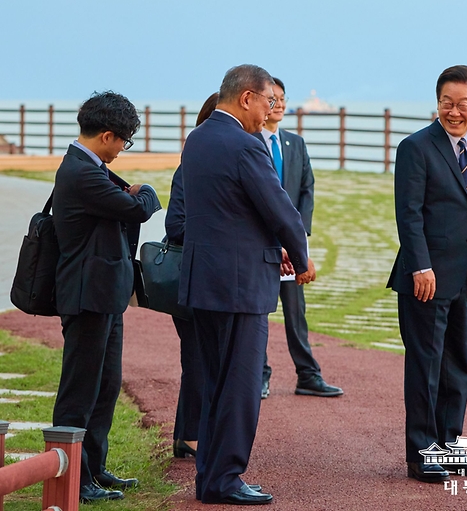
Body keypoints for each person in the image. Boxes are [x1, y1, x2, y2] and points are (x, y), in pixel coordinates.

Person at [178, 64, 315, 506]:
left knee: (214, 383)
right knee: (239, 387)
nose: (269, 111)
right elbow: (278, 208)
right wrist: (301, 255)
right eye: (267, 102)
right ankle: (226, 479)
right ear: (246, 98)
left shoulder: (196, 139)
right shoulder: (245, 144)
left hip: (203, 281)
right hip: (240, 287)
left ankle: (210, 478)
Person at [387, 65, 467, 483]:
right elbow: (409, 215)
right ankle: (421, 456)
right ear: (437, 103)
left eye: (464, 105)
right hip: (425, 278)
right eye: (447, 103)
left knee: (456, 367)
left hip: (465, 277)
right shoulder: (415, 148)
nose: (455, 112)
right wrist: (421, 266)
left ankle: (451, 449)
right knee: (425, 366)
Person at [52, 91, 161, 503]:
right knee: (80, 391)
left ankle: (93, 468)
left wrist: (134, 195)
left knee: (105, 386)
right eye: (123, 141)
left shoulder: (90, 168)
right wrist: (145, 190)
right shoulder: (82, 173)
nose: (121, 150)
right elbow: (138, 209)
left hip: (105, 296)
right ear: (107, 136)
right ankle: (72, 477)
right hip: (86, 296)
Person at [257, 77, 342, 399]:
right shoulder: (248, 141)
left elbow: (307, 191)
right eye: (272, 98)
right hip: (260, 245)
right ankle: (260, 374)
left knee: (296, 312)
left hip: (292, 246)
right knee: (260, 312)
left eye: (282, 98)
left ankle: (308, 375)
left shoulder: (295, 143)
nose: (278, 104)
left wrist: (299, 238)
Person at [164, 91, 220, 460]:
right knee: (198, 359)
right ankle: (191, 436)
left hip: (221, 279)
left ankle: (189, 434)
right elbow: (175, 225)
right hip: (194, 277)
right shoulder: (186, 170)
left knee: (206, 359)